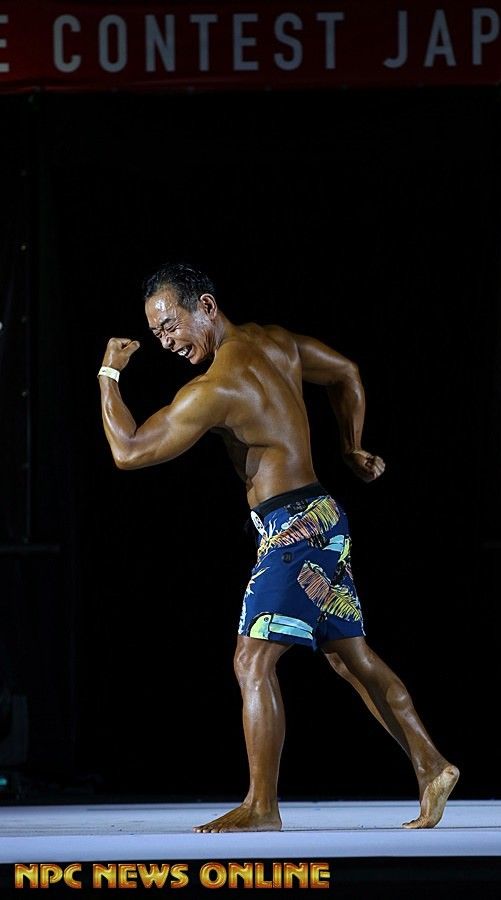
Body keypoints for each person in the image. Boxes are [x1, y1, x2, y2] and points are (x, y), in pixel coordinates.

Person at [97, 261, 459, 833]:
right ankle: (432, 765)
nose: (165, 342)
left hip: (293, 529)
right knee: (351, 657)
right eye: (157, 333)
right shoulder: (277, 342)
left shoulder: (215, 388)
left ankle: (261, 806)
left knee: (251, 660)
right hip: (325, 518)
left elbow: (129, 451)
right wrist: (352, 446)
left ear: (206, 307)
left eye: (171, 325)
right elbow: (346, 373)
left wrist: (108, 375)